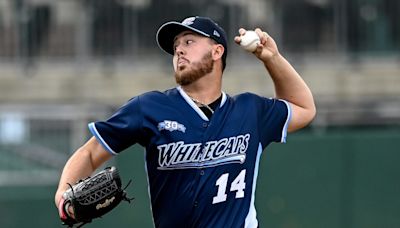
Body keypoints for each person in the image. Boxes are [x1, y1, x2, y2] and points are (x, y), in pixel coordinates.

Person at [55, 16, 316, 228]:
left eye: (189, 41)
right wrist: (62, 198)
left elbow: (304, 108)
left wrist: (271, 58)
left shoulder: (251, 111)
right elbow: (90, 152)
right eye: (176, 46)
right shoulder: (149, 108)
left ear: (217, 51)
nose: (179, 49)